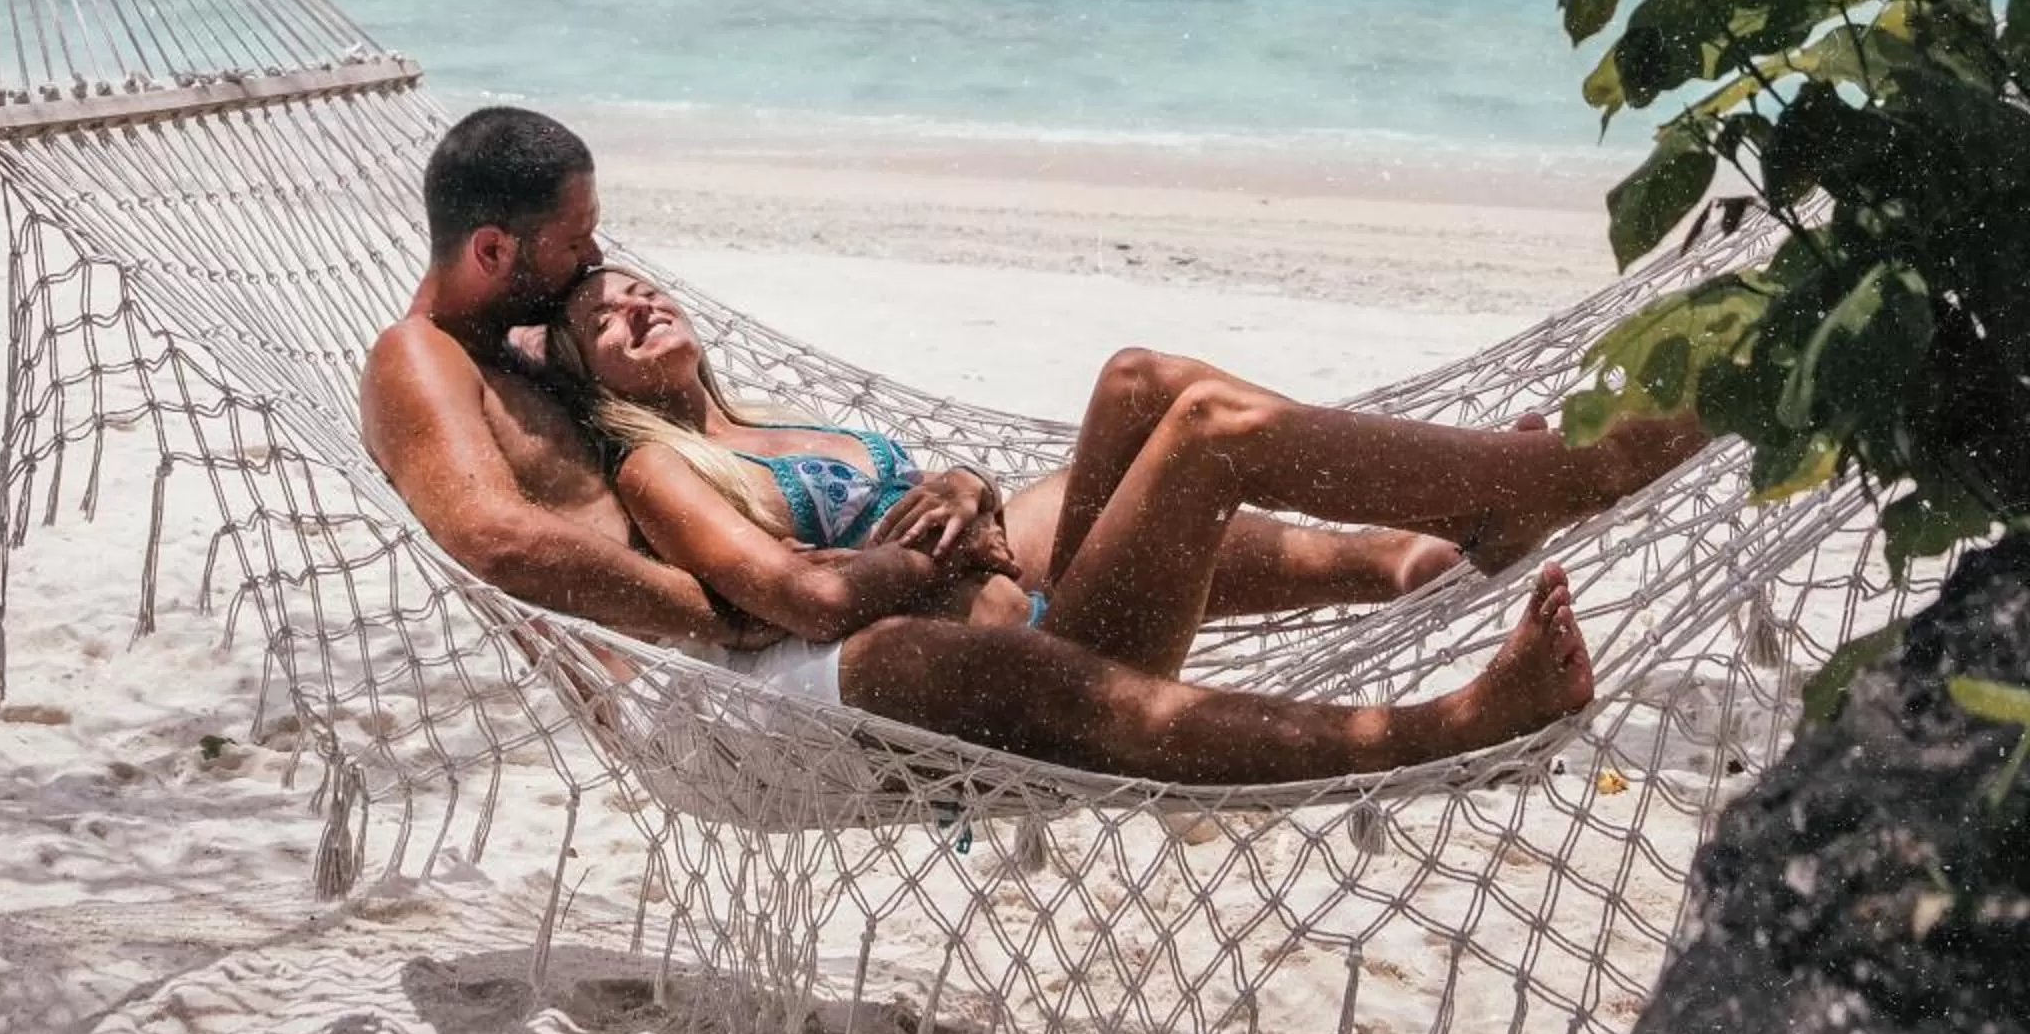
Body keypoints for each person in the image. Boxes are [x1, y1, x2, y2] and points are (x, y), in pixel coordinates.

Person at [361, 106, 1686, 785]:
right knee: (1210, 438)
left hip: (820, 609)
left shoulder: (540, 348)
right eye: (579, 251)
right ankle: (1553, 500)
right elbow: (496, 538)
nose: (606, 266)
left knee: (1140, 385)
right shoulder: (425, 361)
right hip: (738, 690)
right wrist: (745, 606)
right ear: (496, 252)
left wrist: (948, 503)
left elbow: (694, 442)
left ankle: (1423, 545)